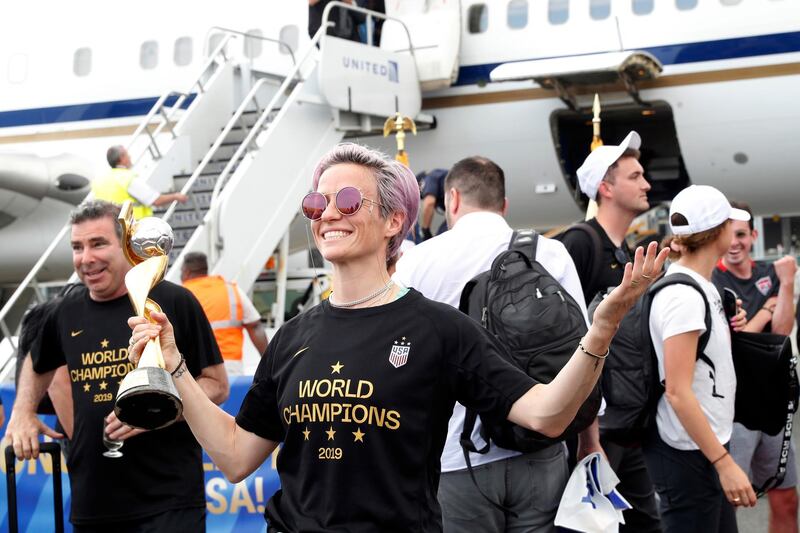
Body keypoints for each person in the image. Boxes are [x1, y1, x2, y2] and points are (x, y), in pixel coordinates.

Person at [127, 143, 668, 532]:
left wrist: (602, 328)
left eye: (346, 199)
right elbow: (236, 455)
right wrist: (175, 367)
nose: (327, 214)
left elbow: (546, 414)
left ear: (393, 221)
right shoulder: (294, 337)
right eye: (316, 205)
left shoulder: (437, 327)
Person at [4, 200, 228, 532]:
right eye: (77, 247)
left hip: (168, 500)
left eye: (98, 244)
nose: (86, 258)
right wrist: (22, 412)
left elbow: (217, 385)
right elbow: (38, 364)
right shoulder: (63, 313)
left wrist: (159, 414)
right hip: (93, 502)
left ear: (126, 245)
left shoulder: (174, 302)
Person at [393, 156, 589, 532]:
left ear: (452, 199)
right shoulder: (550, 253)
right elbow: (585, 354)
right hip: (540, 445)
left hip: (454, 455)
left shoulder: (418, 261)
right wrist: (588, 441)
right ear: (504, 205)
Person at [560, 131, 661, 532]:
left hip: (625, 422)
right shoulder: (580, 244)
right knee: (592, 526)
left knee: (645, 523)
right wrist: (588, 432)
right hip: (596, 427)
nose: (647, 183)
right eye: (635, 176)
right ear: (606, 187)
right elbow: (567, 341)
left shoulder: (622, 252)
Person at [644, 185, 756, 533]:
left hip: (701, 446)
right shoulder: (683, 296)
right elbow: (677, 390)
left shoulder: (701, 286)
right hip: (688, 453)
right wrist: (724, 463)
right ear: (717, 232)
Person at [712, 201, 798, 533]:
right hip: (734, 409)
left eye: (741, 235)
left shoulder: (770, 274)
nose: (735, 243)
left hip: (773, 403)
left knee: (786, 496)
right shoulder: (713, 280)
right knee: (729, 501)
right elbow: (736, 340)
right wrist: (765, 310)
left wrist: (787, 284)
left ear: (753, 236)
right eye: (728, 235)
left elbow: (781, 332)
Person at [181, 251, 268, 375]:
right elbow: (255, 327)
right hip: (231, 367)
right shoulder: (231, 290)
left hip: (196, 368)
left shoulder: (182, 295)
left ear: (186, 272)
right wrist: (269, 362)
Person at [92, 146, 187, 220]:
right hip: (132, 228)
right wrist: (176, 196)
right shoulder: (127, 178)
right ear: (122, 158)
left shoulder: (100, 180)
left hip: (110, 228)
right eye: (127, 154)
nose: (130, 157)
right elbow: (156, 200)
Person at [417, 168, 449, 240]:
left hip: (463, 208)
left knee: (439, 240)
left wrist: (425, 230)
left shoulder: (428, 179)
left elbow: (429, 203)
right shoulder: (438, 176)